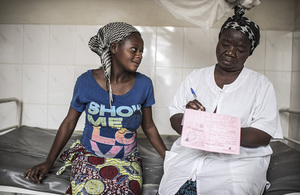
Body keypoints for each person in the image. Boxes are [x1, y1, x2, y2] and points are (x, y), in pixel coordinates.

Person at [24, 22, 167, 195]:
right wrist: (49, 161)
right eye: (134, 49)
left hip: (126, 159)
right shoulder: (85, 82)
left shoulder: (144, 84)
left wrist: (169, 159)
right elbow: (69, 122)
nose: (139, 56)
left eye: (141, 51)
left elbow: (149, 126)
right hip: (88, 156)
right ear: (114, 48)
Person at [158, 6, 283, 195]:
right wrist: (188, 118)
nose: (230, 52)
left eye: (240, 49)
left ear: (250, 52)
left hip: (240, 162)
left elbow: (264, 133)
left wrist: (216, 132)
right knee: (173, 189)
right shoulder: (196, 77)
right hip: (191, 156)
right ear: (218, 42)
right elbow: (175, 115)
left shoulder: (261, 85)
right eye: (225, 44)